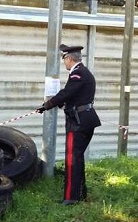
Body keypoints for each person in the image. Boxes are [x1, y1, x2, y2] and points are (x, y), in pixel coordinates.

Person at [36, 44, 101, 205]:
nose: (64, 62)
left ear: (70, 59)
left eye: (64, 59)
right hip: (84, 119)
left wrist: (47, 105)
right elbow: (73, 97)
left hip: (78, 123)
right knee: (77, 158)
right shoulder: (83, 73)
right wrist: (58, 103)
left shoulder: (78, 74)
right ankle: (80, 193)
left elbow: (67, 93)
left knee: (72, 159)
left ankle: (71, 198)